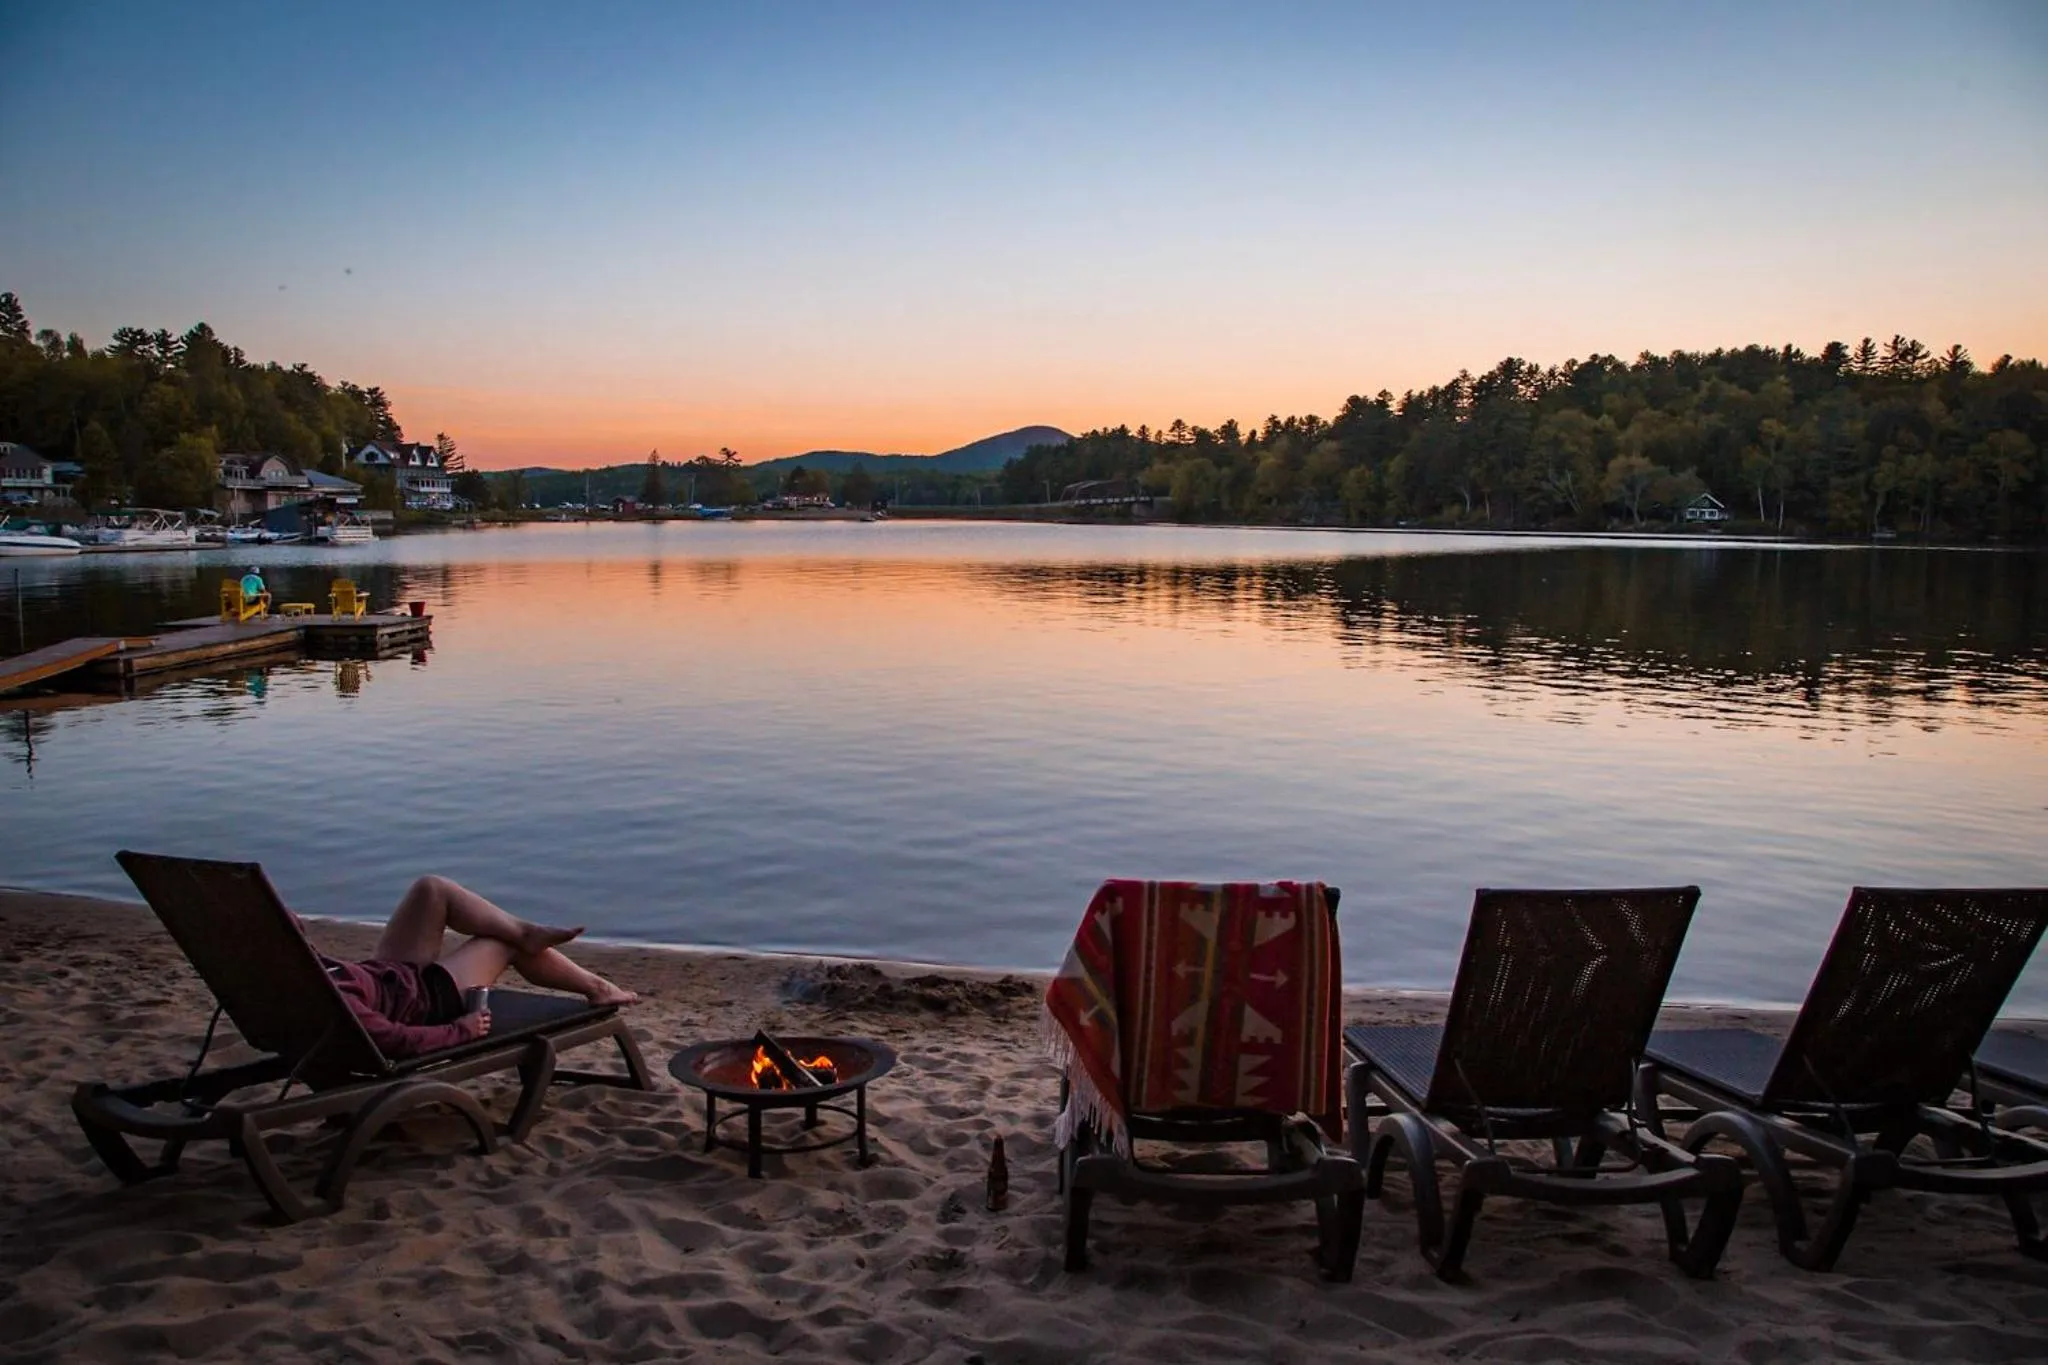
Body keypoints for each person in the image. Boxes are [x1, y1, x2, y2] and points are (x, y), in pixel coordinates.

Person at [314, 875, 637, 1058]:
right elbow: (397, 1040)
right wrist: (462, 1029)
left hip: (385, 978)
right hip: (421, 1002)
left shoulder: (284, 983)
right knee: (502, 943)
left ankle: (524, 932)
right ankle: (596, 987)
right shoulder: (333, 1006)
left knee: (431, 890)